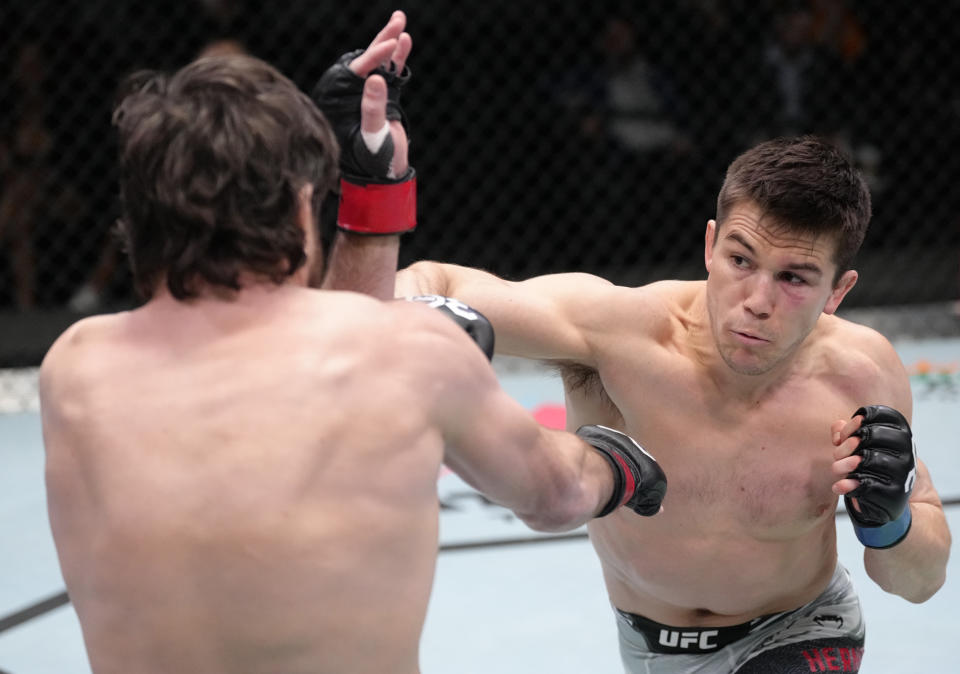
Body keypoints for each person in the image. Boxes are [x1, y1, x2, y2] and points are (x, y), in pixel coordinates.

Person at [38, 12, 667, 674]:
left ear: (137, 212)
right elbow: (554, 496)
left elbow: (304, 372)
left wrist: (370, 198)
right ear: (300, 205)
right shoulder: (408, 356)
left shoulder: (77, 368)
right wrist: (616, 460)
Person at [394, 135, 951, 672]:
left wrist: (893, 523)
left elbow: (920, 581)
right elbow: (430, 278)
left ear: (838, 291)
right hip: (646, 646)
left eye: (794, 279)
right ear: (710, 245)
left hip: (802, 631)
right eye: (740, 260)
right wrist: (422, 313)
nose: (757, 302)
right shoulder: (618, 336)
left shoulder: (862, 374)